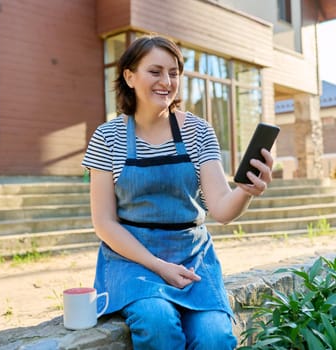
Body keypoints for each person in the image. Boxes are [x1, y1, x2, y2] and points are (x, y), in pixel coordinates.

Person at [81, 35, 273, 349]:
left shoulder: (199, 131)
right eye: (155, 71)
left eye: (174, 73)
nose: (166, 81)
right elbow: (104, 223)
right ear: (129, 77)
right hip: (133, 260)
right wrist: (158, 266)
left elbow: (222, 210)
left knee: (215, 337)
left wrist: (246, 190)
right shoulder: (107, 137)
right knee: (157, 323)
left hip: (192, 256)